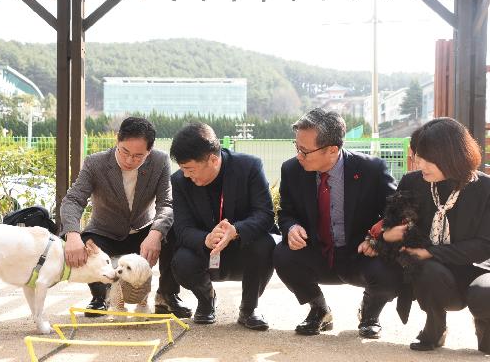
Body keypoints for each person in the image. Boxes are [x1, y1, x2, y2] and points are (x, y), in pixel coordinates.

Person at [273, 108, 401, 339]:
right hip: (315, 251)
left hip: (359, 253)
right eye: (297, 147)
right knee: (282, 254)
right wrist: (291, 227)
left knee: (391, 267)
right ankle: (319, 310)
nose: (299, 155)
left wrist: (376, 239)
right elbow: (286, 212)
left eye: (304, 150)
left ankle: (370, 314)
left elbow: (397, 211)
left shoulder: (371, 170)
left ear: (333, 149)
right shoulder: (291, 170)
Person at [378, 117, 490, 354]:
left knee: (485, 294)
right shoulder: (412, 182)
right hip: (436, 272)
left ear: (453, 156)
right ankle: (435, 326)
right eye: (420, 157)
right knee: (424, 267)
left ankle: (485, 324)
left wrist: (431, 251)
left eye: (430, 160)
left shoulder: (485, 188)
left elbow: (484, 246)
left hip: (479, 269)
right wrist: (387, 235)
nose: (422, 165)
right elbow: (390, 226)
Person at [60, 117, 191, 318]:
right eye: (125, 152)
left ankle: (167, 295)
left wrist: (155, 234)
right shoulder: (95, 163)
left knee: (171, 231)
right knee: (88, 242)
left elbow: (166, 203)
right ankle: (100, 297)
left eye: (139, 156)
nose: (130, 160)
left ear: (150, 150)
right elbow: (73, 200)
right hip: (104, 231)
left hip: (142, 230)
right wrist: (72, 234)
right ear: (117, 141)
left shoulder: (160, 161)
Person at [169, 122, 278, 330]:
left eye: (190, 169)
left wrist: (236, 231)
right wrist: (206, 239)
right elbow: (182, 229)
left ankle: (249, 308)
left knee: (265, 243)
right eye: (182, 169)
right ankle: (206, 299)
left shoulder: (249, 167)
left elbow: (265, 215)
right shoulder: (180, 181)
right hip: (206, 252)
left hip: (243, 249)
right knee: (181, 259)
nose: (186, 175)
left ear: (213, 159)